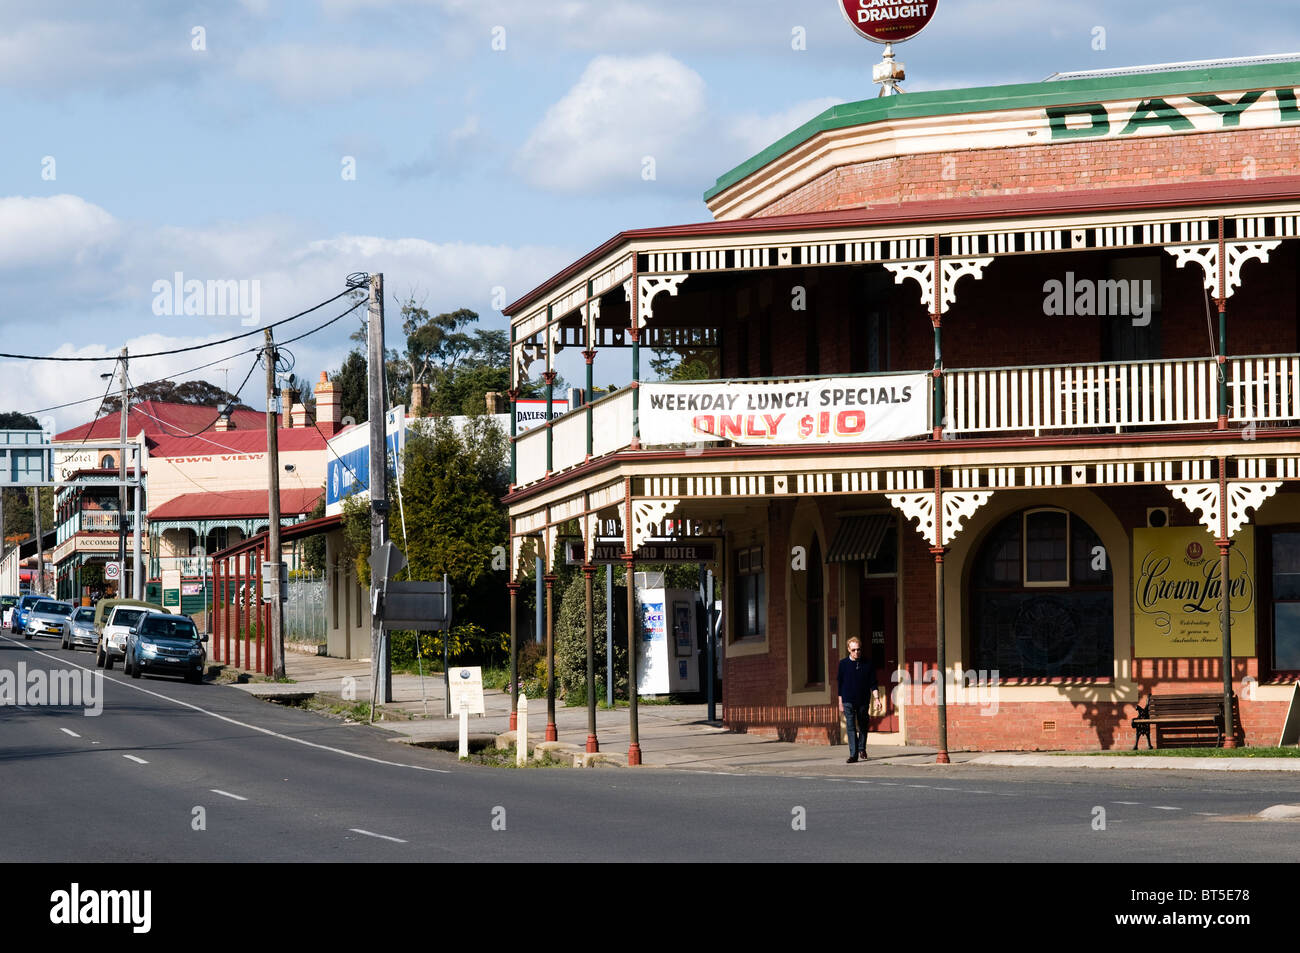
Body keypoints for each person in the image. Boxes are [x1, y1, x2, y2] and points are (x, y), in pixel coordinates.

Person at [837, 636, 880, 763]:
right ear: (848, 650)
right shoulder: (843, 664)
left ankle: (862, 748)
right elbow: (840, 684)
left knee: (863, 725)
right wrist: (840, 702)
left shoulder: (868, 664)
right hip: (848, 700)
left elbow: (873, 683)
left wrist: (877, 699)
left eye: (858, 649)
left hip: (863, 700)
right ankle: (853, 754)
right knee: (850, 726)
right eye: (853, 650)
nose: (856, 652)